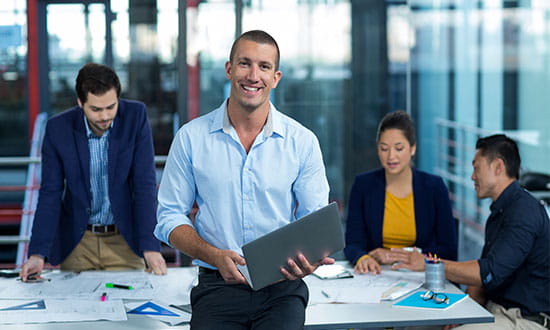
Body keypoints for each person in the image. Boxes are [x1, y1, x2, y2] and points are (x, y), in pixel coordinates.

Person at [155, 30, 333, 329]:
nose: (253, 75)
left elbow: (314, 220)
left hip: (282, 289)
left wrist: (312, 258)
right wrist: (211, 254)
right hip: (217, 288)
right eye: (244, 64)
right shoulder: (191, 138)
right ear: (229, 69)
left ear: (276, 77)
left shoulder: (302, 142)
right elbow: (168, 217)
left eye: (264, 67)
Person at [20, 63, 167, 280]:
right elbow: (50, 193)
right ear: (80, 103)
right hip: (79, 242)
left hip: (123, 241)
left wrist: (150, 246)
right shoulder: (58, 129)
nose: (105, 116)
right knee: (77, 311)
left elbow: (144, 185)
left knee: (131, 309)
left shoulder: (135, 117)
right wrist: (37, 253)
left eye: (111, 106)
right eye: (96, 109)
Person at [395, 134, 550, 329]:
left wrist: (430, 264)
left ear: (498, 167)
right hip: (495, 311)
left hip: (522, 320)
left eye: (476, 168)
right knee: (424, 322)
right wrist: (461, 312)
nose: (472, 176)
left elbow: (489, 273)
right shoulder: (500, 211)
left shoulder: (523, 212)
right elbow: (481, 283)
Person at [344, 111, 457, 274]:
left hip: (421, 274)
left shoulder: (434, 187)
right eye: (384, 149)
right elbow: (353, 244)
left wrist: (413, 256)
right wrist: (363, 258)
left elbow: (449, 250)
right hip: (376, 274)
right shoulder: (363, 185)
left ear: (412, 148)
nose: (391, 156)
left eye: (399, 148)